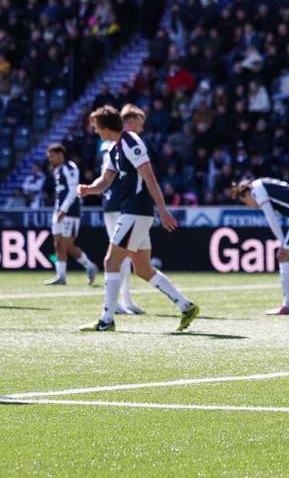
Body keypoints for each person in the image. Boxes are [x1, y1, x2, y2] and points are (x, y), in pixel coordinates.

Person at [77, 105, 199, 332]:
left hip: (137, 211)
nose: (95, 131)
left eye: (96, 127)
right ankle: (186, 306)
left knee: (110, 262)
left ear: (105, 126)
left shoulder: (130, 141)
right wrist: (88, 189)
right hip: (133, 212)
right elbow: (104, 182)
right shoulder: (114, 149)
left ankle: (106, 320)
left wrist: (162, 210)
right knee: (142, 269)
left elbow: (150, 177)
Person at [85, 104, 148, 314]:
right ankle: (119, 303)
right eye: (138, 124)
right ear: (128, 122)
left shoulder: (122, 143)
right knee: (118, 256)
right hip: (117, 204)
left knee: (127, 256)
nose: (141, 128)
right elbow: (108, 176)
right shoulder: (113, 145)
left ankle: (125, 300)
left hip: (122, 203)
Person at [231, 177, 289, 315]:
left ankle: (288, 305)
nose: (249, 206)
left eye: (245, 202)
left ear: (246, 194)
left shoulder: (257, 190)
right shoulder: (264, 185)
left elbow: (270, 217)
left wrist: (282, 241)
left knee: (284, 256)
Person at [44, 144, 98, 286]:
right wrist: (58, 209)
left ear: (60, 154)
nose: (50, 160)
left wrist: (64, 209)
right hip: (58, 210)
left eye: (52, 156)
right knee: (58, 244)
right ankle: (61, 276)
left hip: (70, 211)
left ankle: (90, 266)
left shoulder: (70, 167)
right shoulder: (57, 170)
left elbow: (74, 190)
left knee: (67, 244)